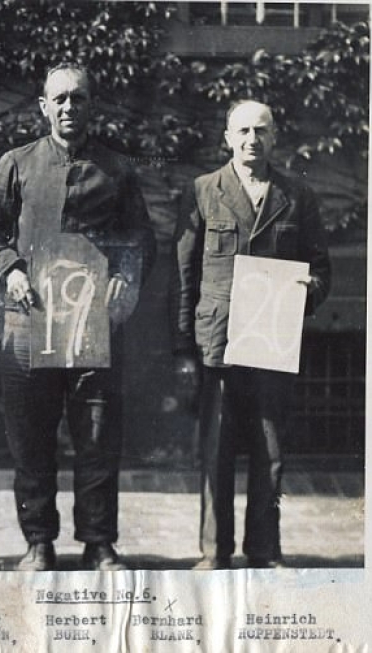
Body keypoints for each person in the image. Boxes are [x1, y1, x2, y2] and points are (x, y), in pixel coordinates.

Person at [0, 62, 155, 572]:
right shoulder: (16, 164)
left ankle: (99, 542)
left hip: (93, 327)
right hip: (29, 325)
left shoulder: (116, 170)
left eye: (79, 98)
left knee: (97, 438)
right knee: (31, 440)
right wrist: (9, 269)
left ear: (90, 105)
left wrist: (124, 276)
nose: (69, 107)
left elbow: (140, 240)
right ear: (43, 106)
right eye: (60, 99)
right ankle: (38, 541)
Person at [172, 99, 330, 570]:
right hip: (217, 342)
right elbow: (184, 277)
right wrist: (183, 348)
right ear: (226, 137)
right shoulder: (202, 191)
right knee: (216, 452)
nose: (251, 140)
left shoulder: (298, 196)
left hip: (271, 341)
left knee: (271, 452)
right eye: (241, 131)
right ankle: (214, 552)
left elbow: (321, 270)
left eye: (261, 130)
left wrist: (308, 290)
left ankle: (264, 550)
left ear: (275, 136)